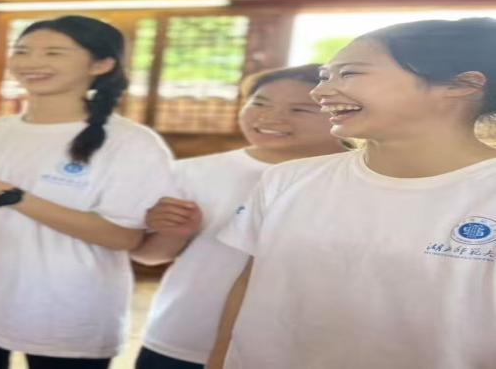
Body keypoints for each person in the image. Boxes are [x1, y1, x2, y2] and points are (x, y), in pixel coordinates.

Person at [208, 18, 496, 368]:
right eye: (325, 76)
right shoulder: (287, 180)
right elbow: (249, 283)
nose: (319, 92)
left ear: (462, 85)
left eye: (349, 73)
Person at [0, 16, 175, 368]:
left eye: (54, 53)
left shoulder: (132, 143)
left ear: (101, 65)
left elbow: (122, 236)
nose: (31, 62)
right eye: (22, 51)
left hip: (65, 310)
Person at [131, 65, 347, 368]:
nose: (270, 117)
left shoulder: (359, 180)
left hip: (297, 347)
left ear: (343, 114)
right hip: (185, 334)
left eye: (300, 109)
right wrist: (173, 231)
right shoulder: (191, 172)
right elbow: (150, 257)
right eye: (259, 103)